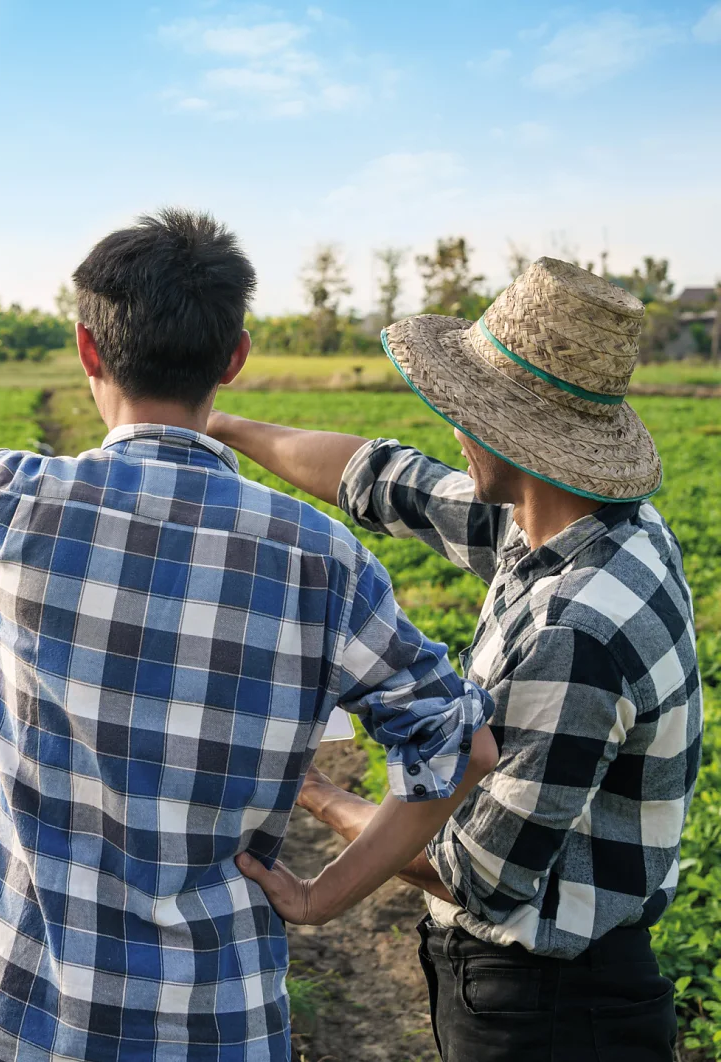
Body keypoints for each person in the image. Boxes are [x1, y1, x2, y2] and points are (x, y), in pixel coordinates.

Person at [0, 208, 498, 1062]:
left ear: (88, 350)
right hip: (215, 1022)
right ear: (234, 357)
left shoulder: (7, 504)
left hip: (23, 1007)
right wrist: (326, 894)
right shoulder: (320, 558)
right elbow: (462, 747)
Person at [207, 256, 701, 1060]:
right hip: (557, 987)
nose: (455, 431)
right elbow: (381, 479)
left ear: (519, 437)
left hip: (548, 1011)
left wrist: (318, 811)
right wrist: (223, 427)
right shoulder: (595, 527)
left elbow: (474, 873)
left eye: (468, 414)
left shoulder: (574, 635)